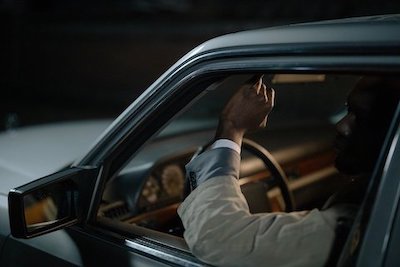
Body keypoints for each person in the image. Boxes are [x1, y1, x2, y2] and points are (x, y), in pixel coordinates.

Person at [177, 75, 400, 267]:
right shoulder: (384, 201)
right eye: (348, 111)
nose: (341, 125)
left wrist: (232, 127)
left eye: (362, 118)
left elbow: (217, 238)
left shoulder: (366, 224)